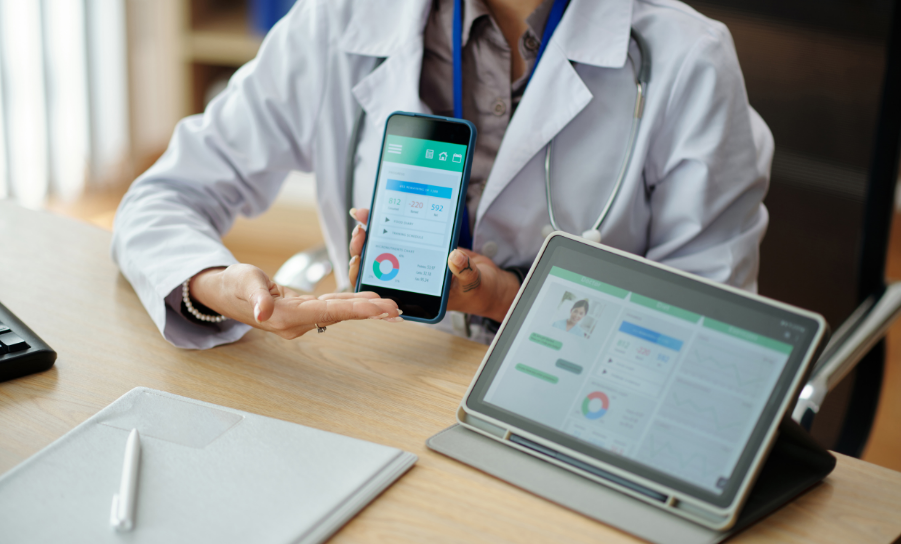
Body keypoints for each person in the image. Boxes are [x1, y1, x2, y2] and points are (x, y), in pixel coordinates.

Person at [112, 0, 773, 349]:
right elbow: (164, 198)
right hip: (384, 388)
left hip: (578, 410)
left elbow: (707, 333)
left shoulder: (685, 60)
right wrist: (209, 284)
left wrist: (508, 302)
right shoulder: (339, 18)